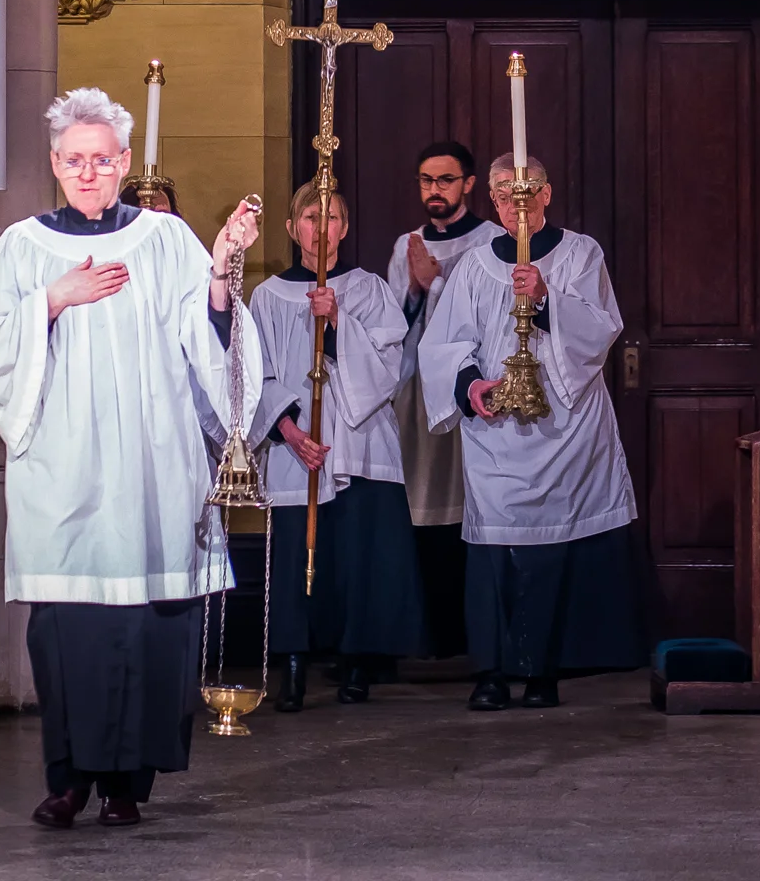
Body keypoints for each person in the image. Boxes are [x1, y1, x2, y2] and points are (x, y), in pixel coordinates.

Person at [0, 87, 262, 830]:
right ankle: (70, 779)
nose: (90, 173)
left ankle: (130, 784)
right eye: (75, 161)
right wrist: (52, 301)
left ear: (126, 161)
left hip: (152, 464)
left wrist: (224, 265)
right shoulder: (24, 247)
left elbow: (211, 333)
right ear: (55, 165)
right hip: (64, 467)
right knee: (71, 629)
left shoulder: (164, 240)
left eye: (104, 160)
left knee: (150, 625)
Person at [418, 154, 643, 709]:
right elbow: (445, 344)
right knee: (494, 549)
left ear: (546, 193)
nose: (513, 201)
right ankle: (492, 672)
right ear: (492, 202)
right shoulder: (474, 266)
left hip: (566, 428)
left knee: (554, 551)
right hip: (497, 432)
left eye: (525, 189)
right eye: (501, 193)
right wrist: (470, 385)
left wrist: (545, 299)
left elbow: (601, 328)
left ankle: (545, 671)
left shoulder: (581, 253)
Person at [250, 180, 425, 712]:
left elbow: (390, 367)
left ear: (344, 230)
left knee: (358, 559)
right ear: (291, 228)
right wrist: (289, 430)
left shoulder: (367, 289)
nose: (319, 229)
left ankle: (356, 663)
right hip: (294, 450)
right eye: (309, 218)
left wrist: (339, 321)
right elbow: (251, 375)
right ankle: (295, 667)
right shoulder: (267, 296)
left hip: (360, 445)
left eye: (330, 220)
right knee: (295, 560)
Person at [386, 141, 496, 657]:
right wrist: (414, 290)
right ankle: (428, 635)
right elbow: (389, 331)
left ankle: (474, 634)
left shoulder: (492, 241)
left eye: (446, 180)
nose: (435, 190)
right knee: (423, 511)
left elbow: (488, 320)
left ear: (469, 185)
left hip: (471, 398)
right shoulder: (405, 244)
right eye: (427, 180)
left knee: (471, 510)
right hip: (416, 397)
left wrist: (436, 284)